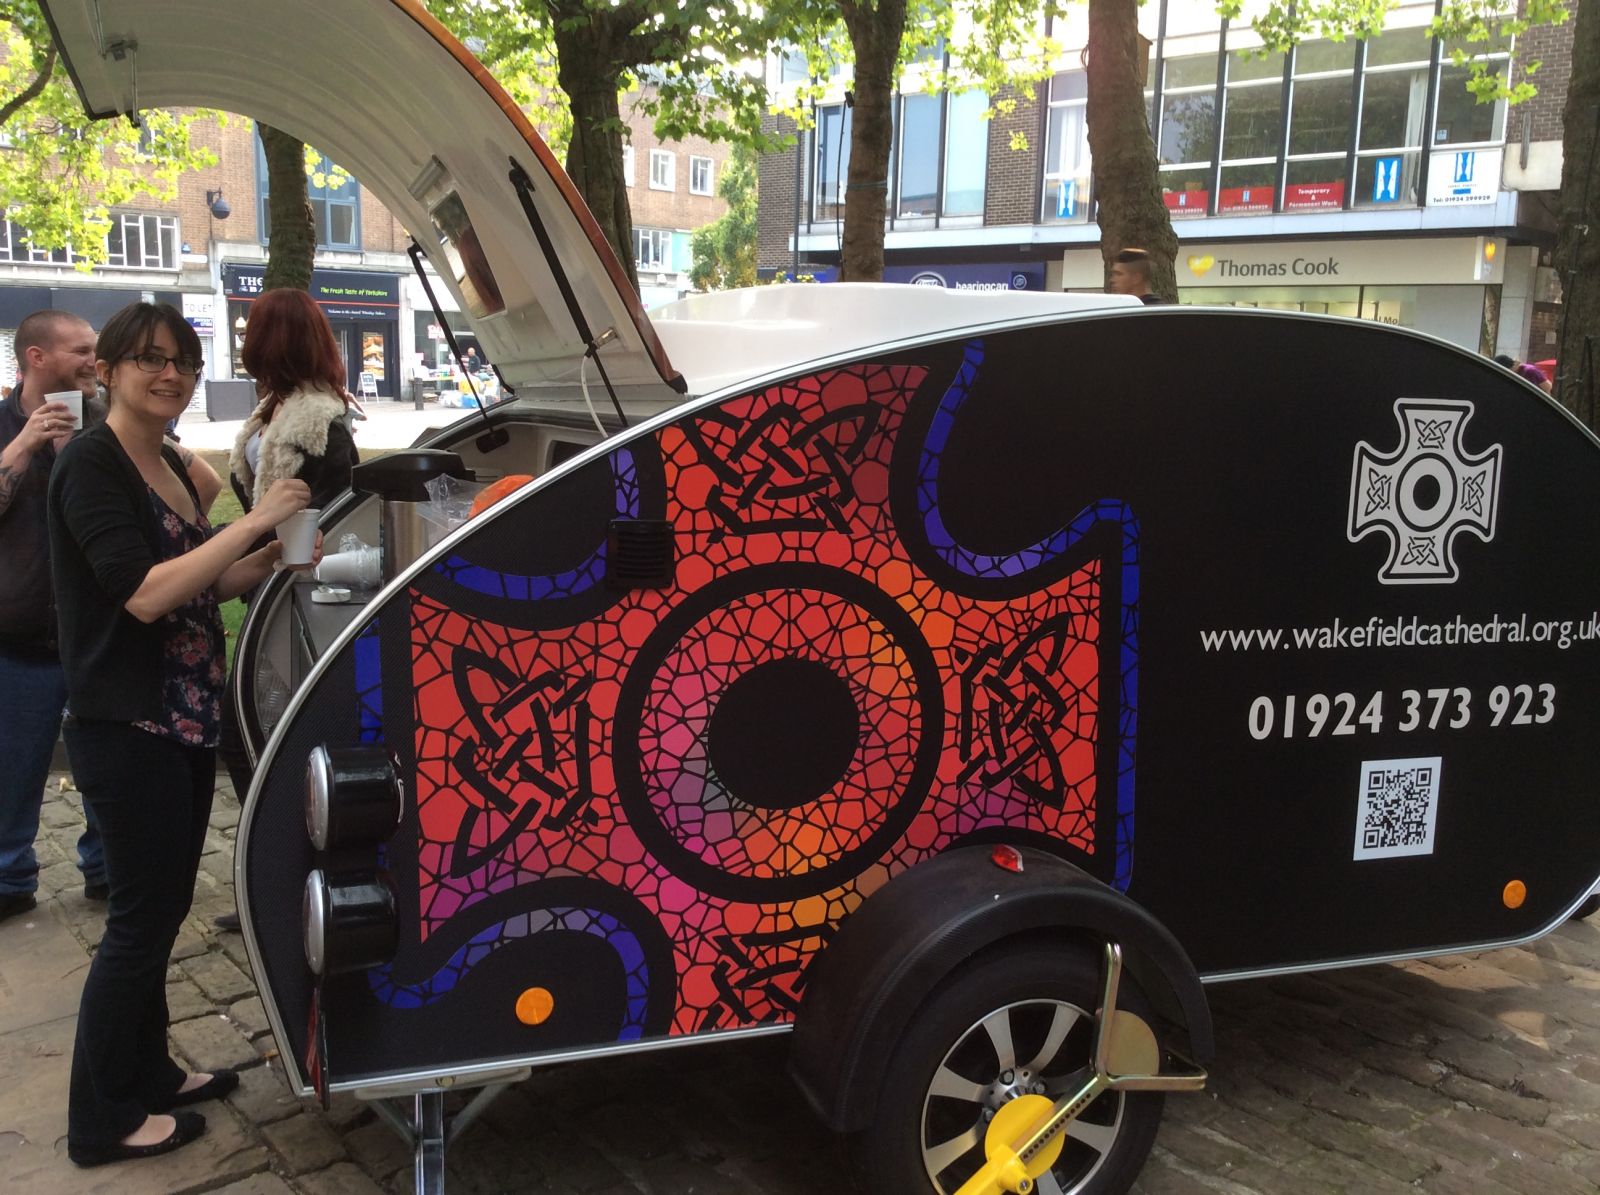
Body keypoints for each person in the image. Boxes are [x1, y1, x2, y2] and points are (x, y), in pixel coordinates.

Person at [48, 301, 319, 1166]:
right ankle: (100, 1117)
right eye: (151, 359)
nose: (170, 374)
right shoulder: (90, 464)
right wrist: (249, 519)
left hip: (185, 716)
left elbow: (201, 583)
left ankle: (149, 1073)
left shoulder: (164, 459)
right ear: (108, 370)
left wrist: (269, 556)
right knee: (138, 917)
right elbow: (144, 592)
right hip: (128, 723)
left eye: (185, 362)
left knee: (161, 910)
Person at [216, 287, 360, 931]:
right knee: (251, 738)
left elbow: (339, 517)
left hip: (299, 600)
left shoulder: (319, 420)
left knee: (269, 739)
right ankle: (271, 878)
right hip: (270, 589)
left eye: (255, 331)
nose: (246, 342)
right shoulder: (277, 410)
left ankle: (284, 883)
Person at [0, 311, 108, 921]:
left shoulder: (108, 427)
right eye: (82, 350)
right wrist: (25, 443)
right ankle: (8, 879)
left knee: (103, 770)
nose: (95, 360)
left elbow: (192, 486)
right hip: (18, 639)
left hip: (96, 637)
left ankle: (105, 869)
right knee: (12, 770)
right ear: (37, 357)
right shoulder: (2, 425)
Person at [228, 287, 360, 517]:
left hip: (295, 551)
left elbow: (332, 513)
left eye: (250, 332)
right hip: (267, 549)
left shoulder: (319, 423)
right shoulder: (274, 404)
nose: (245, 341)